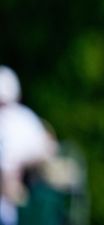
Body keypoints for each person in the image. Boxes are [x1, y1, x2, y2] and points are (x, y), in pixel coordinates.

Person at [0, 66, 58, 225]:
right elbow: (51, 146)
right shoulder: (27, 116)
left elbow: (8, 170)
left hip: (23, 205)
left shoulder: (7, 121)